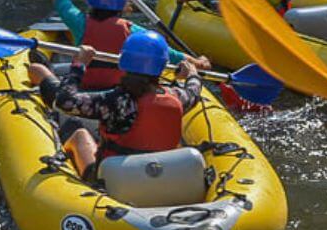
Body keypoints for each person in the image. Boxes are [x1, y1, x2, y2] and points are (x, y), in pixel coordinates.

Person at [28, 30, 202, 181]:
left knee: (79, 133)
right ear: (162, 66)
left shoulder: (116, 101)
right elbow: (193, 91)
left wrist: (79, 65)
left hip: (115, 182)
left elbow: (64, 101)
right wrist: (193, 74)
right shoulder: (177, 97)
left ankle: (68, 168)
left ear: (123, 62)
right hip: (164, 178)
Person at [50, 0, 209, 89]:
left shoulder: (80, 23)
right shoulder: (133, 32)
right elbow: (173, 55)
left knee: (38, 69)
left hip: (82, 88)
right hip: (115, 96)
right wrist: (200, 63)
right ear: (123, 3)